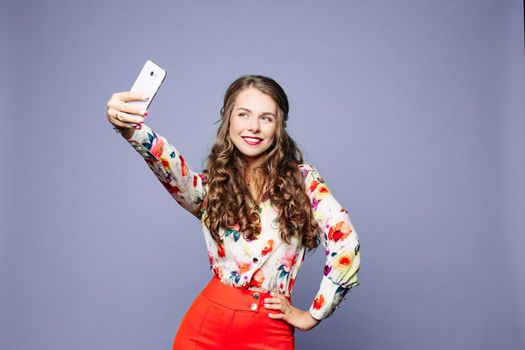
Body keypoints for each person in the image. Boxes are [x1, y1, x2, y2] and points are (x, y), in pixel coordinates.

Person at [105, 75, 361, 349]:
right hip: (204, 328)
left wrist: (313, 315)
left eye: (266, 118)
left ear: (279, 127)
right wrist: (131, 130)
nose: (253, 127)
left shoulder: (304, 182)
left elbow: (345, 242)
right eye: (243, 114)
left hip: (268, 332)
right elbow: (170, 167)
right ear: (228, 120)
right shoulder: (212, 188)